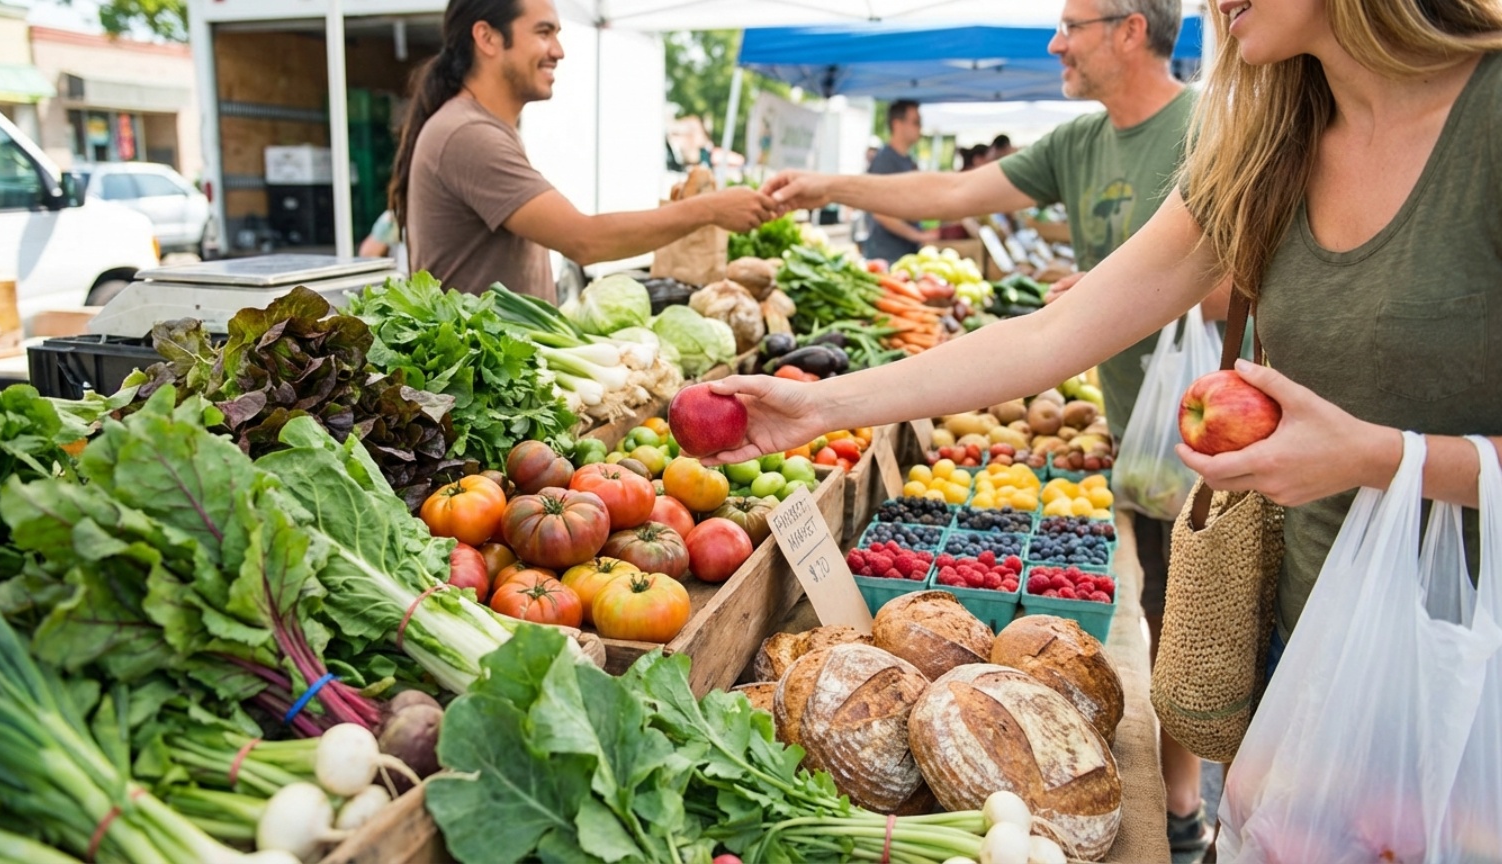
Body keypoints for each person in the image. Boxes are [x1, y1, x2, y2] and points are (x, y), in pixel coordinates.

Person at [712, 0, 1502, 846]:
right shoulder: (1267, 145)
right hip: (1302, 652)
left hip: (1472, 670)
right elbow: (1056, 333)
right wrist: (822, 403)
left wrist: (1382, 457)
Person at [757, 1, 1221, 852]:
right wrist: (832, 184)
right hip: (1132, 423)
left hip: (1219, 428)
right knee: (1158, 594)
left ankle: (1185, 806)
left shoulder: (1213, 127)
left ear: (1130, 28)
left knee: (1196, 623)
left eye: (1073, 23)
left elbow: (1248, 272)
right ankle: (1188, 804)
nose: (1055, 42)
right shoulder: (1081, 143)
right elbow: (952, 193)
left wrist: (1129, 292)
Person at [388, 0, 777, 302]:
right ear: (487, 38)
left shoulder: (479, 126)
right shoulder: (467, 133)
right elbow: (584, 241)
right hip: (478, 391)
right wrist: (710, 209)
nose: (558, 51)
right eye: (543, 33)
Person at [861, 100, 938, 263]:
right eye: (916, 122)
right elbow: (880, 213)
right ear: (897, 124)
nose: (920, 128)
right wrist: (918, 235)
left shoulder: (908, 160)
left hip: (904, 253)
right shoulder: (885, 161)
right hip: (887, 255)